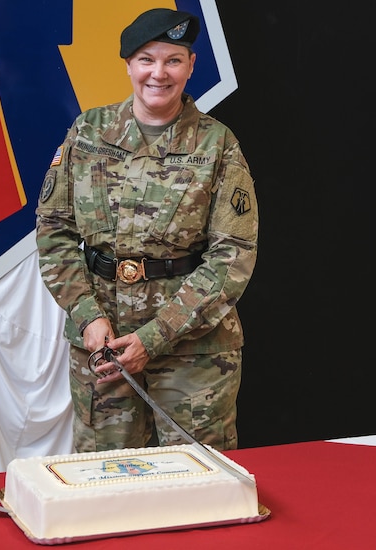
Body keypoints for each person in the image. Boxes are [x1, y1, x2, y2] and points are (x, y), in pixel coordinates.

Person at [35, 8, 258, 453]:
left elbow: (233, 254)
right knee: (105, 481)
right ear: (129, 65)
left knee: (197, 485)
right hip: (103, 345)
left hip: (192, 353)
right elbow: (53, 229)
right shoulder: (87, 133)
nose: (159, 73)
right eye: (146, 59)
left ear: (191, 66)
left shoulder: (218, 145)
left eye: (173, 60)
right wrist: (88, 317)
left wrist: (155, 337)